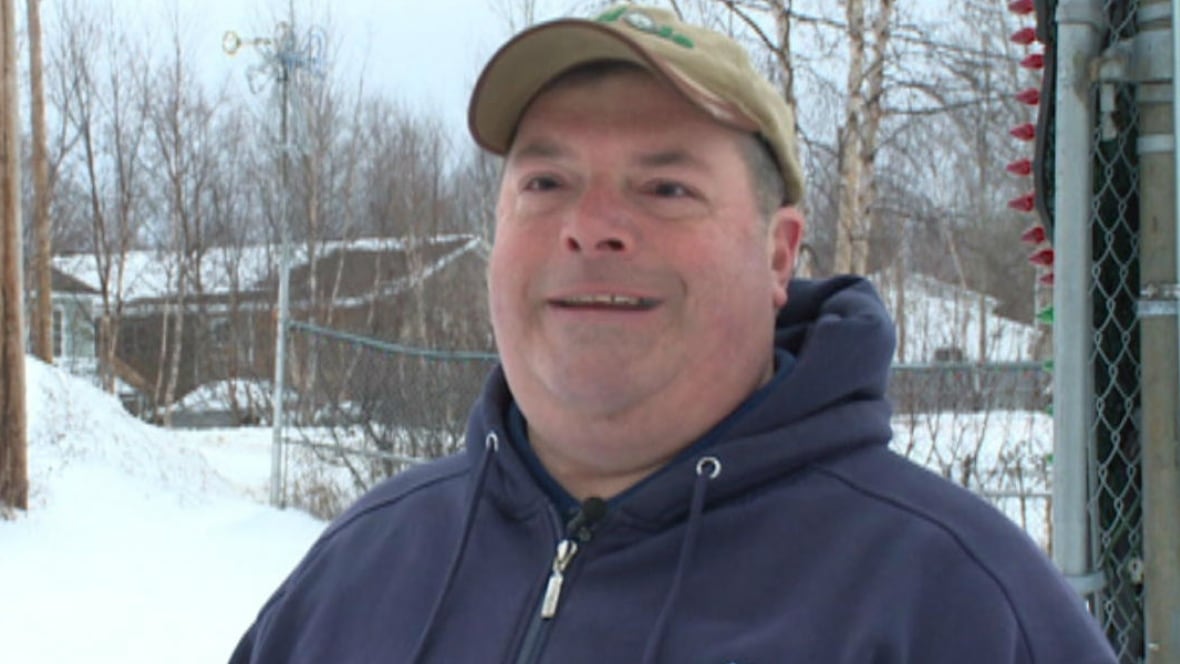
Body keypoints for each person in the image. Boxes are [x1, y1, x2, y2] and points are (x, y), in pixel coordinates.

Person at [230, 5, 1118, 663]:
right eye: (545, 183)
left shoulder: (954, 607)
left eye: (666, 188)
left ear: (780, 256)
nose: (592, 226)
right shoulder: (359, 576)